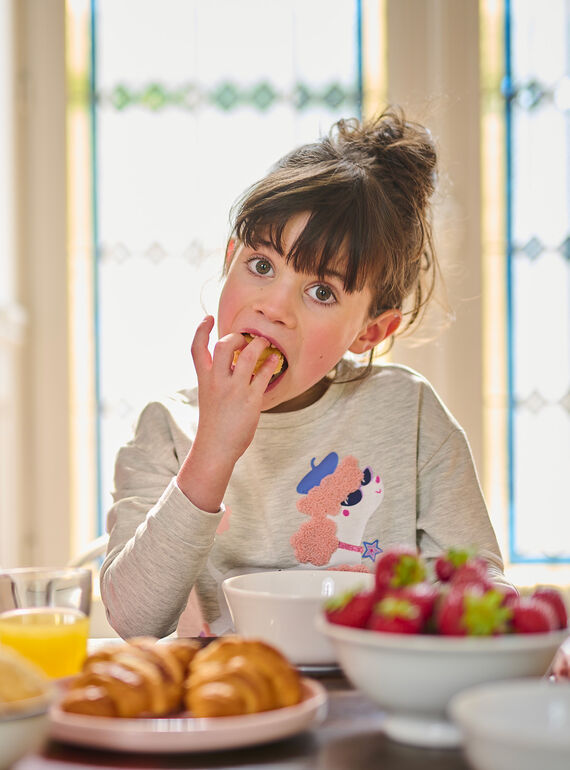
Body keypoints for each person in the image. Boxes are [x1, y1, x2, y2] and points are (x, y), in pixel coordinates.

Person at [100, 107, 513, 640]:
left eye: (322, 292)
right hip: (236, 702)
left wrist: (520, 632)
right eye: (262, 265)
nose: (274, 307)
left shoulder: (408, 414)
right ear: (229, 262)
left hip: (376, 698)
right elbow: (135, 620)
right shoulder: (167, 429)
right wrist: (214, 450)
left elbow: (479, 583)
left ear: (371, 332)